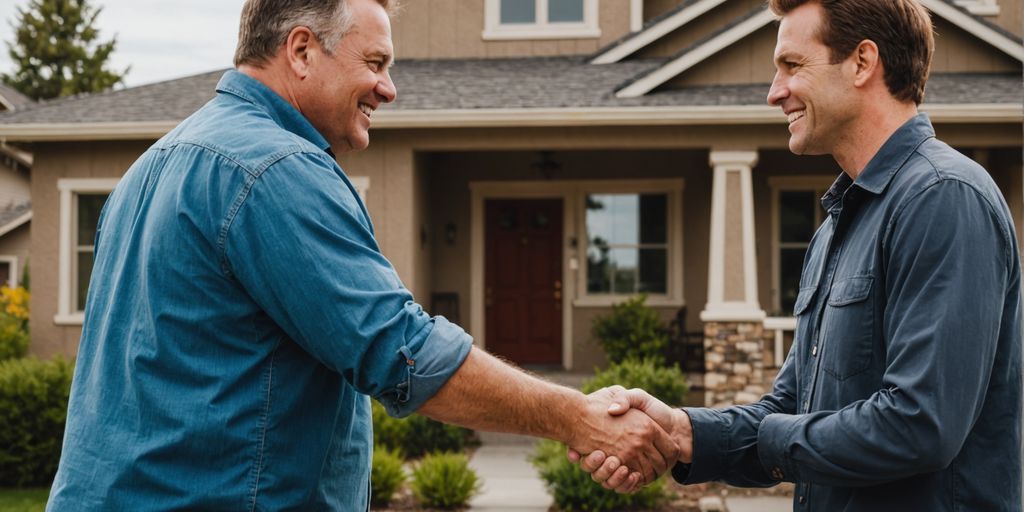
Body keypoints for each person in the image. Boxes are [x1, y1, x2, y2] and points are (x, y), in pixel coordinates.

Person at [45, 0, 680, 509]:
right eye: (374, 62)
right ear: (300, 50)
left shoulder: (148, 169)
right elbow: (402, 355)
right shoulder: (276, 169)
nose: (389, 88)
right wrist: (579, 418)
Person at [575, 0, 1023, 510]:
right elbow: (792, 406)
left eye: (792, 66)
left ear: (862, 62)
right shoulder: (837, 226)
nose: (774, 93)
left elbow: (919, 425)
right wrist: (682, 431)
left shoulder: (943, 198)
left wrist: (767, 443)